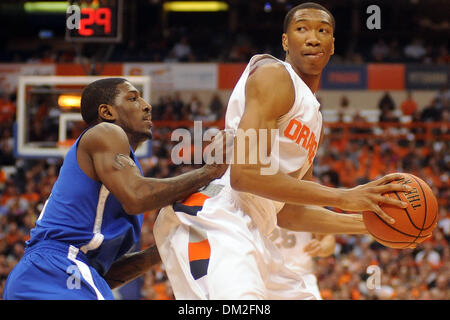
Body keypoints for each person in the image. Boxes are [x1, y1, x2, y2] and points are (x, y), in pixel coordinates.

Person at [154, 2, 413, 299]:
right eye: (301, 28)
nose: (312, 37)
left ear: (332, 45)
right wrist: (344, 196)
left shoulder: (315, 119)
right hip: (217, 217)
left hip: (257, 230)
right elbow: (245, 176)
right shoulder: (274, 75)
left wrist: (374, 225)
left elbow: (288, 211)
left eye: (322, 31)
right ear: (285, 41)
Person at [3, 78, 230, 300]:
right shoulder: (106, 132)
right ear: (107, 112)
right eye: (133, 98)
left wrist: (163, 246)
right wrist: (210, 171)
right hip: (57, 268)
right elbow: (137, 197)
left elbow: (101, 275)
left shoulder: (120, 169)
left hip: (45, 273)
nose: (147, 105)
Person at [269, 227, 335, 299]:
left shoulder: (310, 215)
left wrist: (321, 247)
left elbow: (328, 237)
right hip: (264, 277)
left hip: (301, 278)